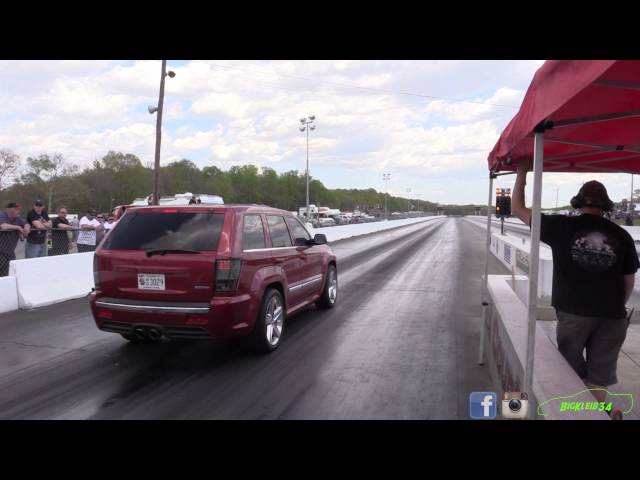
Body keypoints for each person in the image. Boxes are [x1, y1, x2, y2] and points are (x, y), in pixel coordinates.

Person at [512, 162, 638, 418]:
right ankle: (600, 411)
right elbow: (629, 281)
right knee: (598, 377)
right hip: (613, 316)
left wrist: (522, 174)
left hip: (574, 315)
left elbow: (517, 208)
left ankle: (586, 411)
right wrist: (614, 306)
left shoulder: (561, 226)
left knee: (568, 373)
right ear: (606, 206)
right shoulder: (622, 235)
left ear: (578, 202)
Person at [0, 202, 30, 276]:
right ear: (9, 210)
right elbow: (4, 226)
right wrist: (18, 227)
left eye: (19, 209)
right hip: (1, 251)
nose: (18, 211)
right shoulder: (2, 215)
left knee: (10, 272)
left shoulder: (17, 218)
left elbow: (26, 223)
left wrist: (26, 227)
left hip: (10, 251)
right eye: (16, 209)